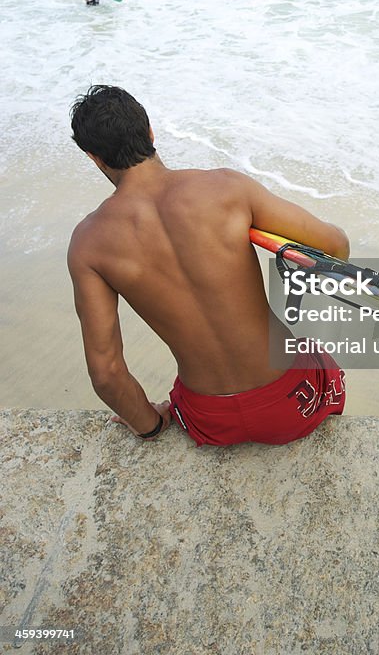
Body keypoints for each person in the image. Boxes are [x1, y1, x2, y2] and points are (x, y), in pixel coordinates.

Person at [67, 86, 349, 447]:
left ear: (94, 157)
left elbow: (106, 372)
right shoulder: (226, 188)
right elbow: (335, 247)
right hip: (292, 401)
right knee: (316, 355)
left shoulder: (88, 244)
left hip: (208, 418)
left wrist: (148, 423)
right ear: (150, 131)